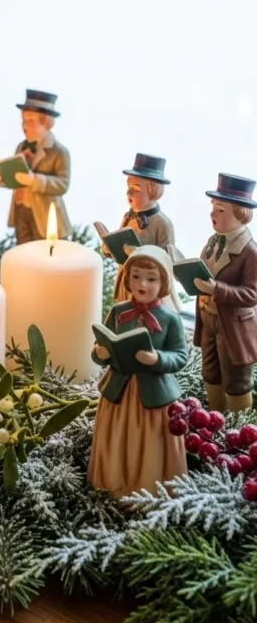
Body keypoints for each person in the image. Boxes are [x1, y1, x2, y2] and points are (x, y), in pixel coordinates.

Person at [88, 245, 188, 499]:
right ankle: (113, 484)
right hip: (118, 390)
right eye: (135, 277)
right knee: (117, 439)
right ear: (126, 277)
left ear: (163, 282)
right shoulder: (118, 312)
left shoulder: (170, 319)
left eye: (151, 279)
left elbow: (180, 356)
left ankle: (149, 489)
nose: (142, 284)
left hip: (153, 396)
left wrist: (157, 358)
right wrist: (100, 353)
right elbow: (104, 341)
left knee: (150, 444)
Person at [193, 173, 257, 413]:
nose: (213, 214)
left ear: (240, 213)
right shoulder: (212, 242)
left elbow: (252, 295)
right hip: (209, 318)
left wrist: (217, 289)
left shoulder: (250, 252)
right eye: (213, 208)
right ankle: (215, 419)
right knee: (211, 372)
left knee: (236, 380)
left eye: (221, 210)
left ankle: (239, 429)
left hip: (234, 326)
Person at [103, 153, 180, 312]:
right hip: (128, 278)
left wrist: (139, 253)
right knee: (125, 312)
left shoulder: (162, 224)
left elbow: (167, 260)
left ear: (153, 192)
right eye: (128, 187)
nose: (128, 193)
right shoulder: (128, 216)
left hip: (150, 285)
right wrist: (110, 246)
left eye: (135, 189)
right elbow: (120, 241)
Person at [0, 89, 71, 244]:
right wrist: (2, 176)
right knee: (23, 251)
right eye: (23, 120)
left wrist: (35, 180)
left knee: (43, 253)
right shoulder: (21, 147)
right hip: (21, 210)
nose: (24, 125)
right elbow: (15, 177)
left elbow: (62, 184)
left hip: (44, 215)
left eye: (30, 121)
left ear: (47, 124)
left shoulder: (59, 152)